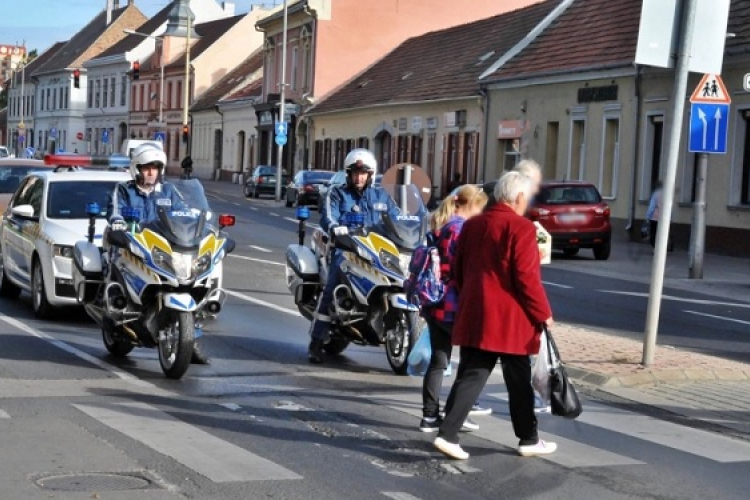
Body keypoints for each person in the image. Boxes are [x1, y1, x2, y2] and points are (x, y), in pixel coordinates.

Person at [434, 171, 556, 460]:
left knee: (475, 374)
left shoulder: (473, 225)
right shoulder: (522, 229)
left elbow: (459, 270)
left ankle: (453, 433)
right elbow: (526, 279)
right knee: (515, 379)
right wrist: (544, 314)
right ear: (520, 197)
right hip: (510, 320)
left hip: (476, 312)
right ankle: (524, 438)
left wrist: (472, 296)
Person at [106, 143, 210, 365]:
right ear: (137, 169)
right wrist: (117, 223)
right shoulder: (124, 190)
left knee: (191, 279)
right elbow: (114, 212)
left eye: (155, 167)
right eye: (146, 168)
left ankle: (191, 332)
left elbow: (185, 213)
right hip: (131, 246)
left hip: (160, 250)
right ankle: (119, 312)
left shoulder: (169, 191)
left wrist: (200, 223)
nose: (151, 172)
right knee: (118, 278)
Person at [308, 148, 400, 364]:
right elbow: (328, 217)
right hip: (346, 249)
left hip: (376, 251)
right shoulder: (337, 193)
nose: (359, 177)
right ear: (348, 174)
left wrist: (410, 228)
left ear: (371, 174)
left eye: (363, 173)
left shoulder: (382, 196)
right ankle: (316, 342)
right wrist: (334, 228)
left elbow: (397, 219)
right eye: (355, 173)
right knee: (331, 287)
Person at [419, 185, 490, 434]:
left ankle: (429, 416)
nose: (480, 214)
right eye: (479, 208)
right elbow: (460, 269)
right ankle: (456, 414)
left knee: (438, 361)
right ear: (468, 205)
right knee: (470, 361)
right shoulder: (459, 229)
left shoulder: (440, 225)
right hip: (452, 304)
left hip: (433, 301)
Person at [646, 182, 673, 251]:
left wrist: (648, 216)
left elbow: (652, 206)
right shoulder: (667, 194)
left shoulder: (656, 194)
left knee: (654, 233)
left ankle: (655, 248)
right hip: (666, 217)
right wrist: (670, 217)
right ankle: (666, 247)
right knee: (664, 233)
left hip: (655, 218)